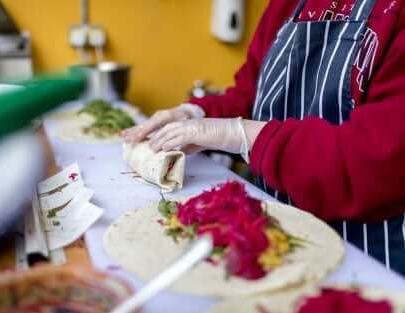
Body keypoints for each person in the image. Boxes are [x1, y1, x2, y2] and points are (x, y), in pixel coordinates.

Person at [123, 0, 405, 276]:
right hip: (273, 248)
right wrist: (197, 112)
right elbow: (251, 93)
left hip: (367, 262)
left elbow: (373, 160)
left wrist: (243, 134)